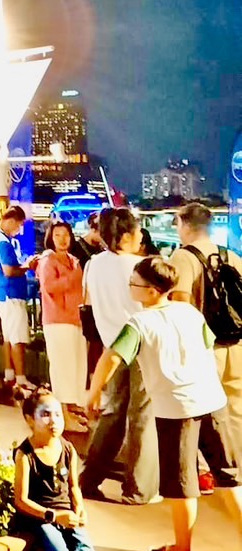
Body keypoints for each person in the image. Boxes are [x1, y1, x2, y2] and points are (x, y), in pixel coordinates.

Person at [88, 256, 242, 551]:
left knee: (181, 484)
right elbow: (208, 345)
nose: (130, 287)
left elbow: (111, 358)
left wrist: (93, 393)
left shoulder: (139, 324)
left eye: (134, 283)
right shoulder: (190, 312)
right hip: (212, 400)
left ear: (151, 290)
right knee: (229, 478)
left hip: (176, 409)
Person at [13, 387, 155, 551]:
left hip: (66, 515)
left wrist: (79, 509)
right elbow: (21, 500)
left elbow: (73, 487)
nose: (53, 421)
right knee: (57, 549)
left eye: (57, 414)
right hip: (39, 517)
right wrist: (53, 516)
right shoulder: (26, 454)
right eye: (45, 414)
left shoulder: (67, 449)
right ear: (29, 420)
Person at [79, 207, 159, 505]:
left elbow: (88, 303)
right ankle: (138, 488)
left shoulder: (94, 264)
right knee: (142, 416)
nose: (140, 237)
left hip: (112, 347)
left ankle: (88, 479)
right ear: (125, 236)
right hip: (143, 347)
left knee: (112, 414)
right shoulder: (140, 267)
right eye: (137, 231)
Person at [169, 201, 242, 423]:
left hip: (205, 346)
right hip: (236, 342)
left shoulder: (183, 257)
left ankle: (214, 447)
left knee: (206, 409)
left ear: (183, 224)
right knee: (236, 407)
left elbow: (181, 302)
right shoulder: (230, 256)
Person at [36, 220, 88, 433]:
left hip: (76, 319)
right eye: (57, 235)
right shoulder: (48, 261)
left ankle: (71, 409)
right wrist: (71, 277)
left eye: (66, 234)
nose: (62, 239)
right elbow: (49, 287)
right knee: (62, 369)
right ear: (50, 238)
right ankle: (63, 416)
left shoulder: (73, 260)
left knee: (76, 367)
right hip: (58, 320)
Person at [0, 205, 38, 404]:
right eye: (18, 224)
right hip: (11, 294)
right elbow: (9, 270)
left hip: (2, 293)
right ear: (11, 220)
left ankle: (10, 375)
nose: (19, 229)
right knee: (18, 338)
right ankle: (21, 379)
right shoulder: (3, 242)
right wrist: (28, 266)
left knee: (8, 336)